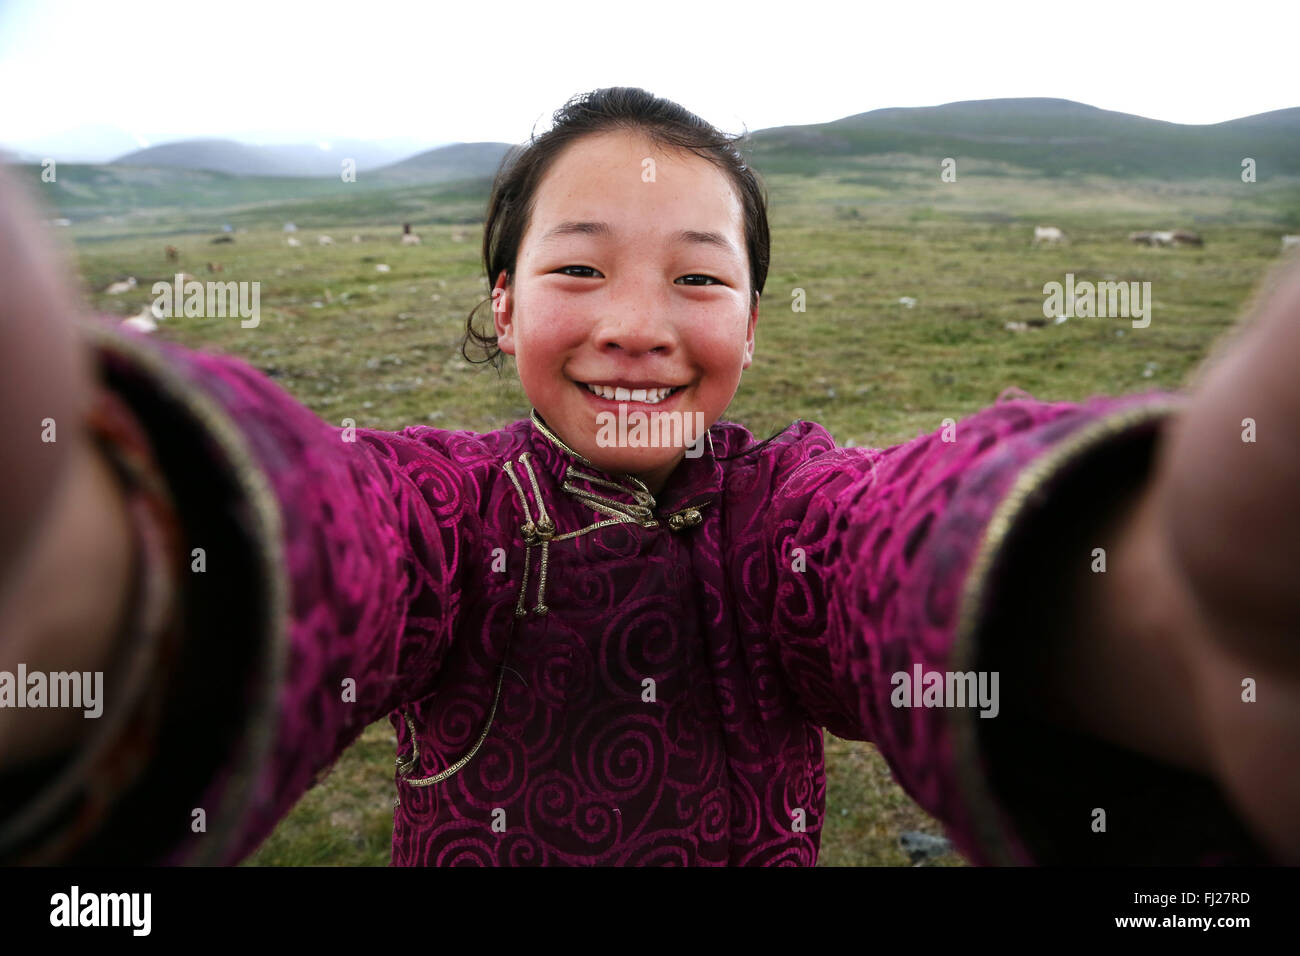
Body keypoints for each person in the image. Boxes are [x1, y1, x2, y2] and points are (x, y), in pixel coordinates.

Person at [0, 87, 1296, 866]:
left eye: (697, 277)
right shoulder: (453, 507)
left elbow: (886, 548)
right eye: (578, 271)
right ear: (501, 308)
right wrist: (95, 568)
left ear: (754, 321)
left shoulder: (781, 508)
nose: (637, 323)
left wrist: (1157, 607)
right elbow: (344, 537)